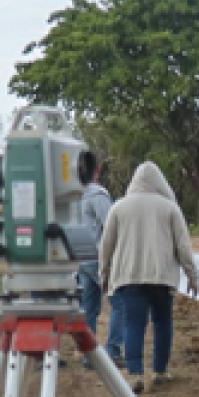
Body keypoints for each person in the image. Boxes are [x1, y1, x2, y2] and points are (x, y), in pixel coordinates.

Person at [99, 161, 199, 393]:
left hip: (129, 277)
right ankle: (160, 371)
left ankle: (135, 374)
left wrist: (103, 274)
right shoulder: (170, 208)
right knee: (163, 322)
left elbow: (106, 246)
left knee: (133, 324)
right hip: (162, 276)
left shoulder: (118, 208)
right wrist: (192, 276)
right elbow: (183, 247)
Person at [74, 151, 121, 367]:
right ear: (97, 169)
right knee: (119, 302)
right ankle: (112, 351)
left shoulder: (72, 194)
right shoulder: (98, 195)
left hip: (80, 257)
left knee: (89, 308)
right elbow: (112, 225)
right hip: (97, 258)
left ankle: (89, 356)